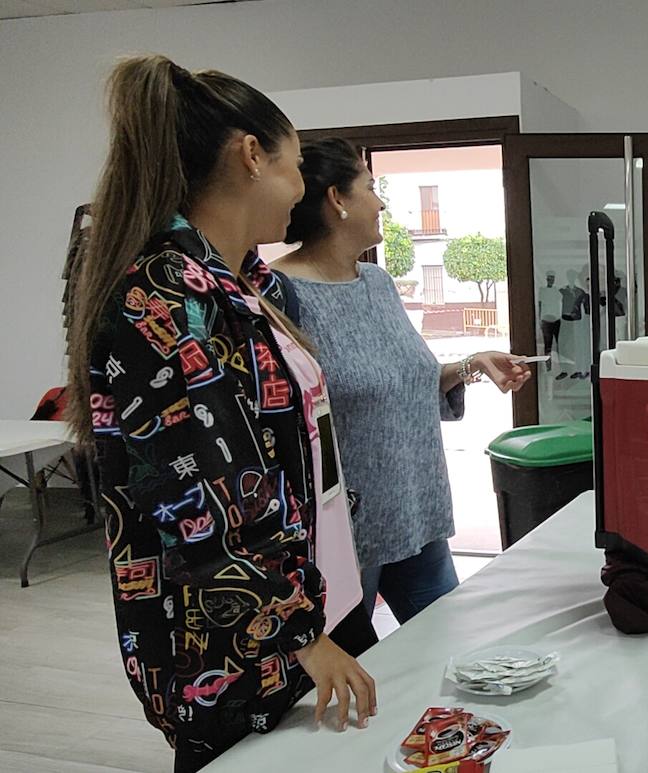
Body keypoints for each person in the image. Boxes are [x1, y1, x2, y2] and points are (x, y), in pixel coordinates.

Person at [66, 55, 375, 772]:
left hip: (295, 619)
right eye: (296, 166)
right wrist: (300, 631)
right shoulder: (166, 300)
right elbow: (194, 501)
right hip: (231, 649)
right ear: (250, 156)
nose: (301, 190)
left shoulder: (242, 286)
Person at [274, 137, 530, 624]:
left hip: (418, 509)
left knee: (447, 653)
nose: (382, 202)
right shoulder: (279, 295)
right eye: (371, 188)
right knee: (362, 678)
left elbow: (402, 379)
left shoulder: (378, 283)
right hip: (348, 534)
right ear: (337, 201)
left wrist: (473, 364)